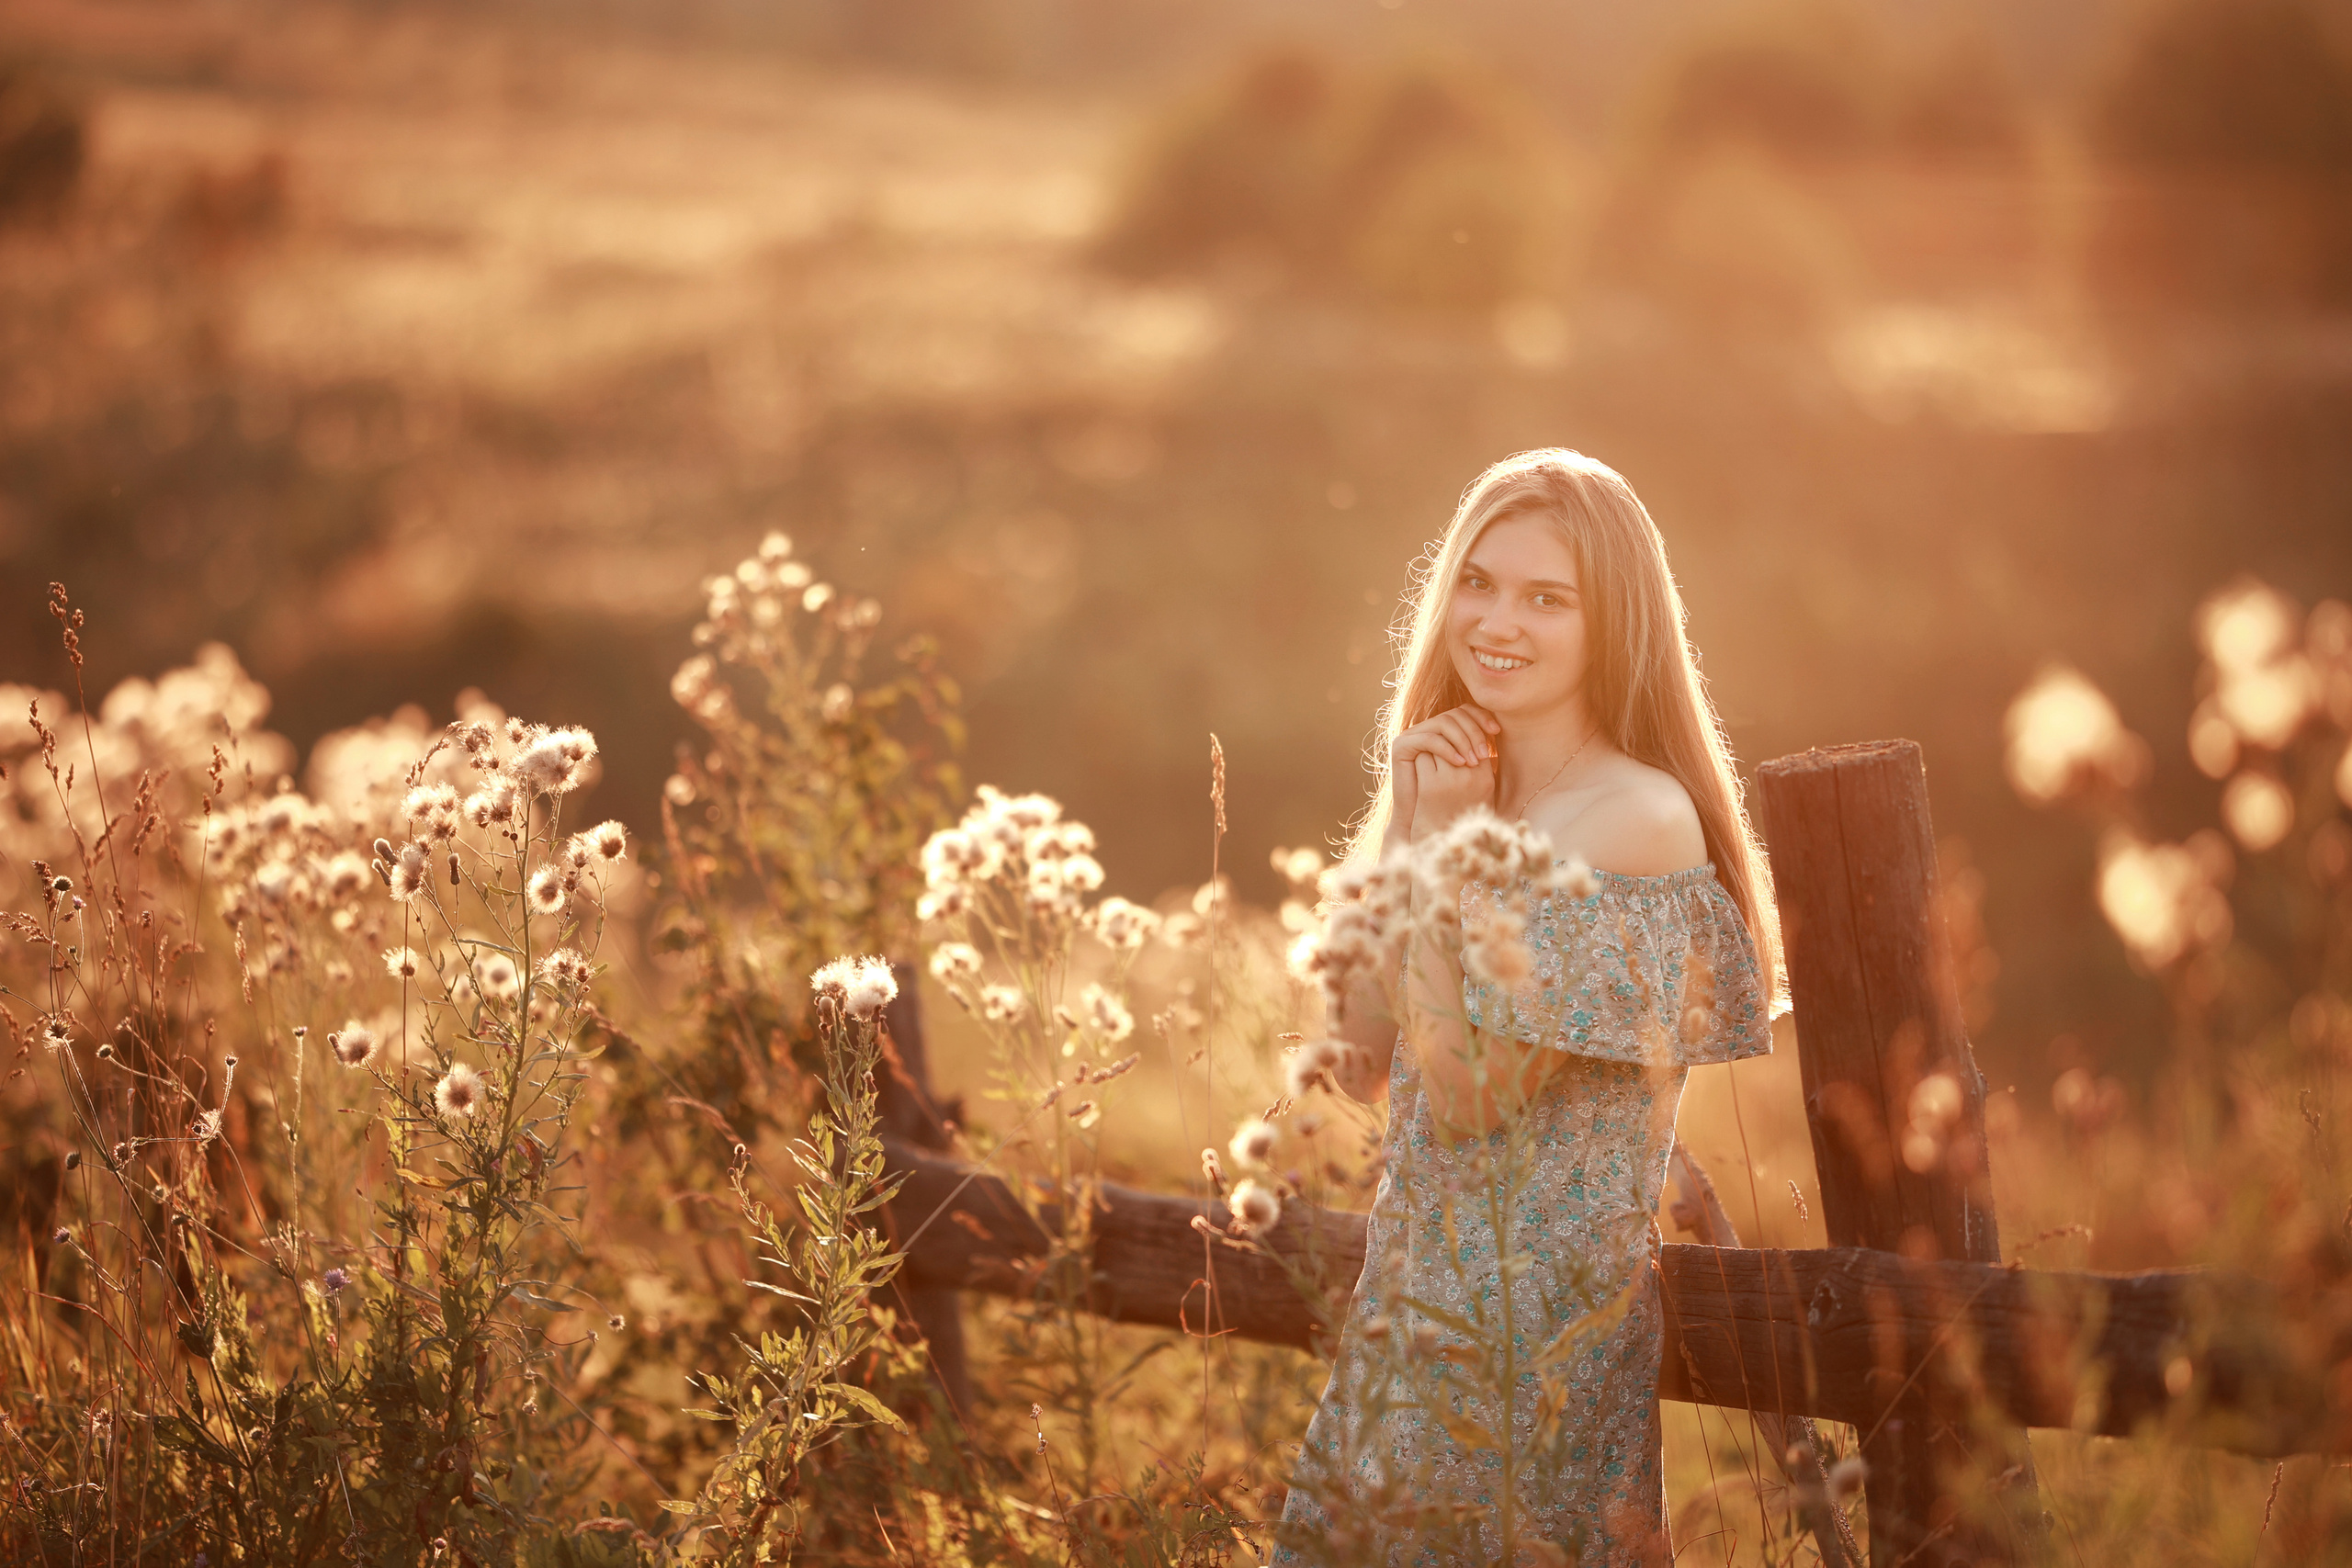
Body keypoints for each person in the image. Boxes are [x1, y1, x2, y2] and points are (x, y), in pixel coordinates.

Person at [1272, 449, 1781, 1565]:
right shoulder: (1465, 786)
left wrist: (1441, 855)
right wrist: (1413, 835)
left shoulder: (1633, 822)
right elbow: (1356, 1054)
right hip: (1407, 1330)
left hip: (1531, 1364)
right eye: (1479, 582)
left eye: (1547, 598)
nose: (1496, 620)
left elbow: (1465, 1101)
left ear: (1616, 625)